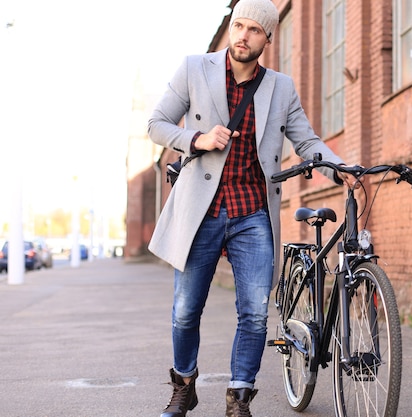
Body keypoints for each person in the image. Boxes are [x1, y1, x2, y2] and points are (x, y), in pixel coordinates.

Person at [147, 0, 355, 416]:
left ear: (267, 38)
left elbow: (307, 141)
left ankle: (238, 397)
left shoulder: (281, 86)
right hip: (199, 213)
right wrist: (197, 139)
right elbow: (157, 124)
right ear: (230, 30)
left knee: (255, 314)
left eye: (254, 30)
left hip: (252, 213)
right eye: (238, 26)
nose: (243, 35)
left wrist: (338, 167)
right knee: (186, 311)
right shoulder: (194, 68)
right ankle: (184, 386)